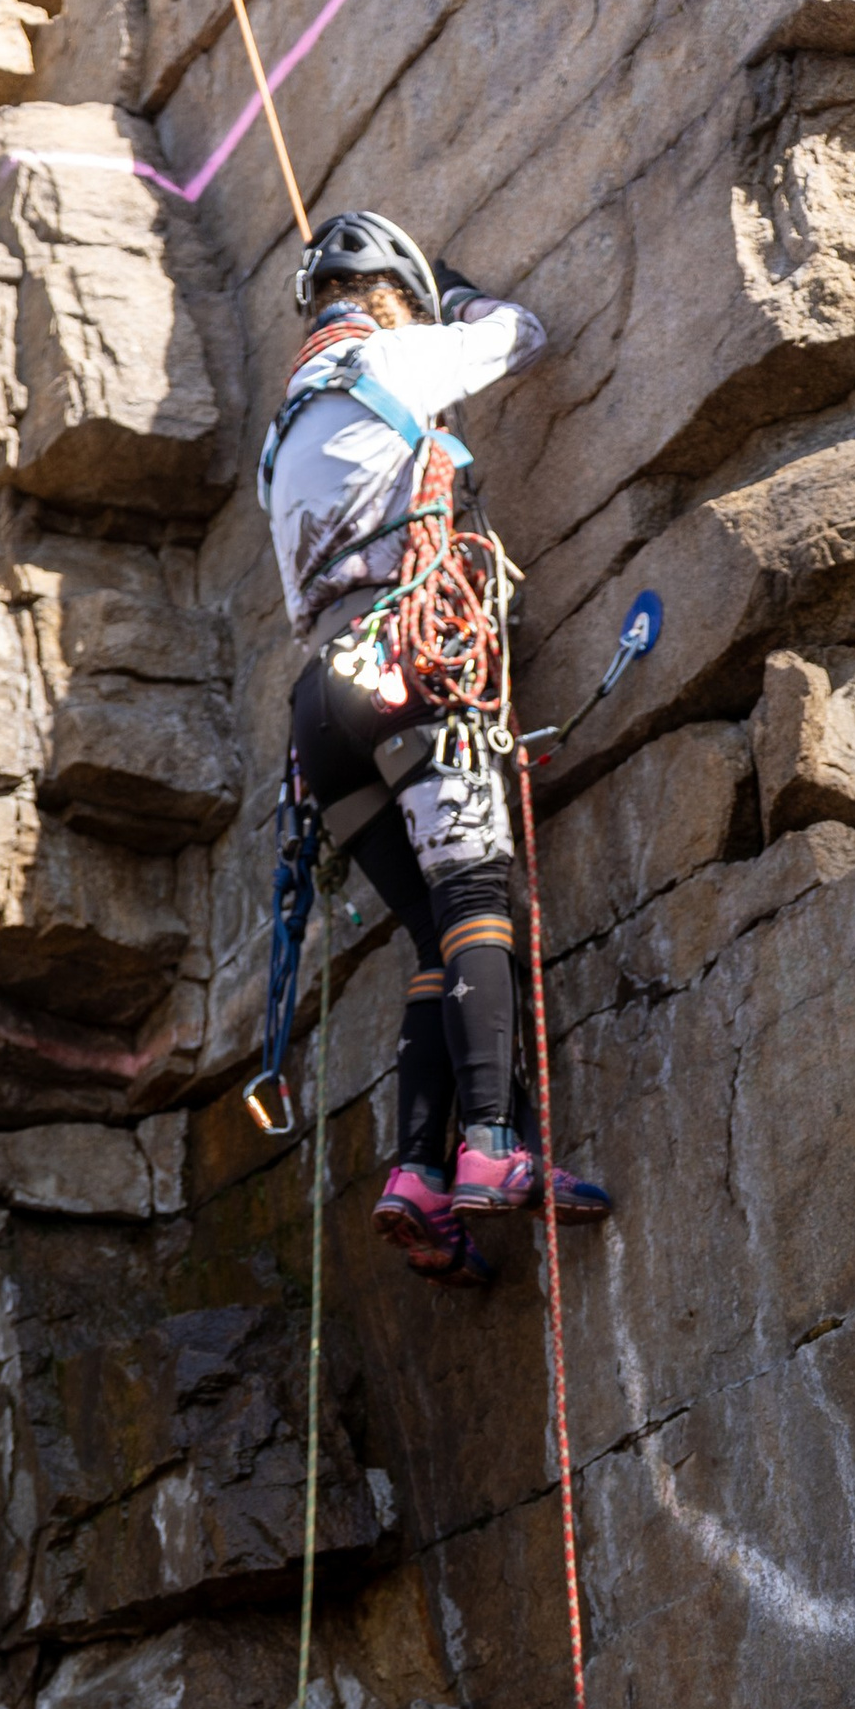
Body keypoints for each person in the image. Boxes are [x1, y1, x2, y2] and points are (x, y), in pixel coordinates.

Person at [259, 206, 610, 1288]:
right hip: (407, 666)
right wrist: (455, 300)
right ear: (393, 297)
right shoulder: (391, 357)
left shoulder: (279, 436)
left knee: (431, 935)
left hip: (322, 717)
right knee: (476, 904)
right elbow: (522, 334)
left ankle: (415, 1175)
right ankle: (492, 1146)